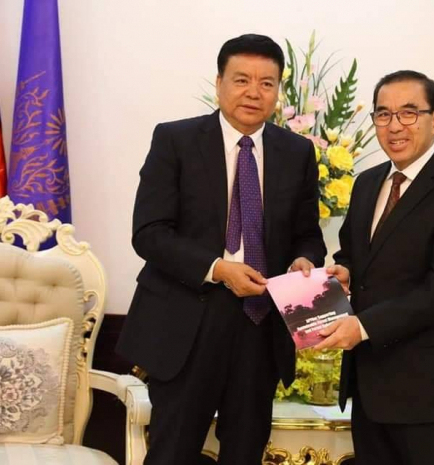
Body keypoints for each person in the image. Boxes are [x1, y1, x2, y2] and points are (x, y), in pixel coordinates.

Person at [116, 34, 326, 465]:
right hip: (188, 325)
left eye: (267, 83)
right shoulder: (175, 140)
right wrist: (218, 268)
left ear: (278, 91)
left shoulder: (297, 151)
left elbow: (308, 234)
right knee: (172, 452)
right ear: (219, 83)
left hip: (261, 326)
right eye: (241, 80)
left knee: (245, 451)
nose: (254, 92)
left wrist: (305, 259)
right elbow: (149, 232)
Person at [315, 70, 434, 465]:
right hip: (369, 386)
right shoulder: (366, 183)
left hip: (429, 393)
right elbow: (353, 254)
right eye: (383, 114)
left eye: (409, 113)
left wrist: (362, 327)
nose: (394, 126)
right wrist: (345, 272)